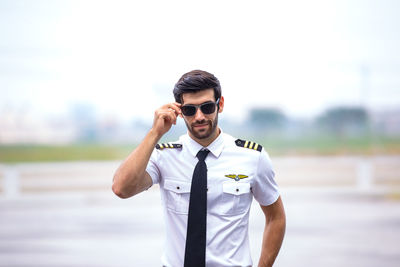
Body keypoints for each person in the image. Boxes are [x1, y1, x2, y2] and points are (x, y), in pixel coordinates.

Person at [112, 70, 286, 267]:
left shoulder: (252, 157)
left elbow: (276, 217)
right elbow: (121, 188)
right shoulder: (164, 156)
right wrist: (155, 133)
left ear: (220, 105)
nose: (199, 116)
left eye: (207, 107)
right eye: (190, 110)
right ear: (179, 111)